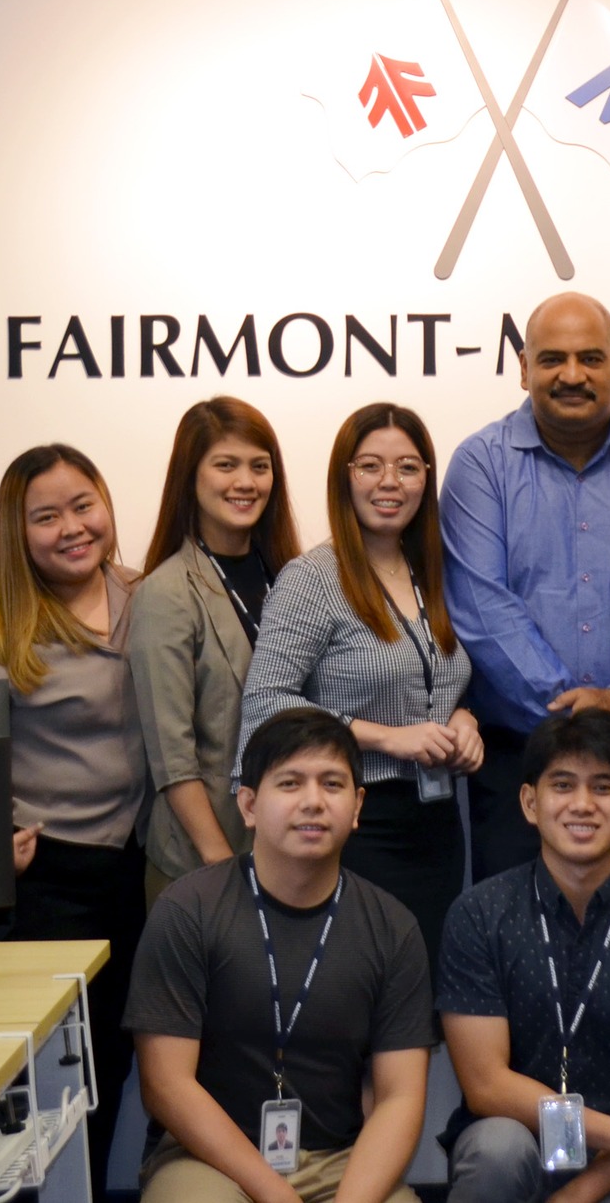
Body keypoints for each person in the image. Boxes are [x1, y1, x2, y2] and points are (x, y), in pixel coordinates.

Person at [0, 443, 147, 1202]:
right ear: (16, 534)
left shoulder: (149, 597)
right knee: (52, 1085)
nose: (72, 528)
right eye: (46, 517)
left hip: (143, 871)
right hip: (52, 885)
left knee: (117, 1065)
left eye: (83, 505)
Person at [126, 707, 434, 1203]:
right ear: (249, 805)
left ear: (357, 806)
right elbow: (165, 1084)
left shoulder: (393, 927)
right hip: (209, 1158)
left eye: (332, 784)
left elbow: (400, 1097)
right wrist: (275, 1194)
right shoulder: (189, 910)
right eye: (290, 783)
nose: (313, 801)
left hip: (341, 1161)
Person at [442, 292, 610, 888]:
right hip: (516, 759)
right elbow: (483, 608)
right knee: (509, 930)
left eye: (590, 358)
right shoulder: (480, 464)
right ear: (524, 368)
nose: (572, 375)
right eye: (552, 359)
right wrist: (577, 717)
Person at [437, 709, 610, 1203]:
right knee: (495, 1151)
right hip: (522, 1139)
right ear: (530, 802)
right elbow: (485, 1085)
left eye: (603, 788)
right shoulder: (480, 915)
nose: (582, 805)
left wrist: (581, 1190)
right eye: (563, 786)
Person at [236, 403, 480, 970]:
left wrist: (462, 717)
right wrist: (385, 737)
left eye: (408, 467)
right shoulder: (313, 578)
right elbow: (266, 702)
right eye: (370, 465)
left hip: (437, 823)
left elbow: (440, 676)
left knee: (422, 990)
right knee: (360, 989)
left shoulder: (436, 572)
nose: (389, 482)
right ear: (343, 477)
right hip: (356, 824)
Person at [131, 397, 303, 906]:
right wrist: (223, 865)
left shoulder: (293, 577)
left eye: (259, 466)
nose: (245, 482)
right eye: (226, 465)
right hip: (202, 866)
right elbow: (172, 758)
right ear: (191, 475)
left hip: (290, 855)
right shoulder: (166, 592)